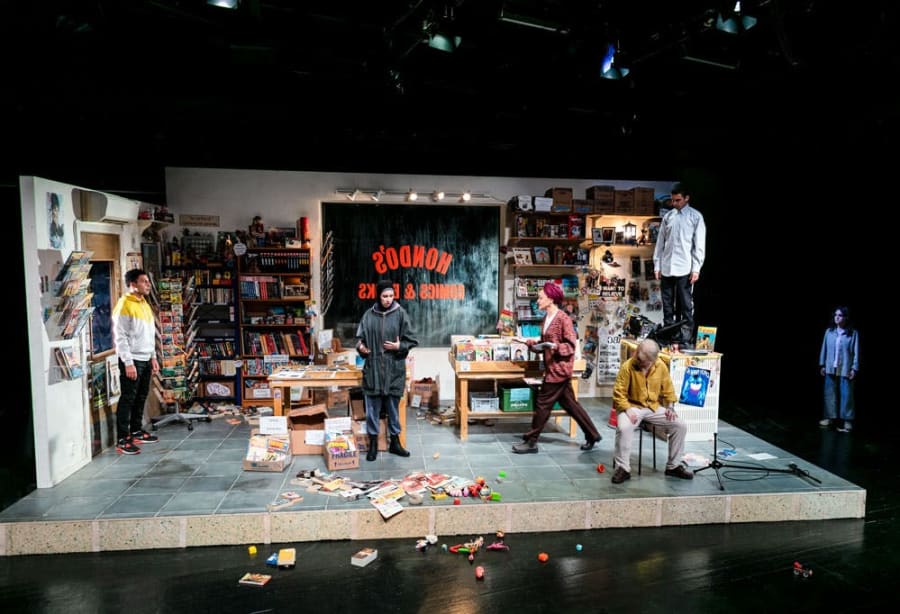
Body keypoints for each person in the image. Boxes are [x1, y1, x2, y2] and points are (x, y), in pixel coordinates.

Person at [512, 282, 602, 454]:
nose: (538, 301)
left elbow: (570, 346)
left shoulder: (563, 319)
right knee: (571, 405)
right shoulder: (546, 318)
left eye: (541, 298)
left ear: (551, 299)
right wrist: (528, 343)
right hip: (552, 368)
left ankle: (531, 441)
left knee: (542, 405)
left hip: (558, 371)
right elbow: (544, 343)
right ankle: (593, 435)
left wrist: (554, 347)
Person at [610, 338, 693, 484]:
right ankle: (623, 468)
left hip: (653, 407)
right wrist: (627, 409)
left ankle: (673, 466)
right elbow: (619, 393)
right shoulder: (627, 366)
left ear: (652, 360)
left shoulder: (660, 366)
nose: (638, 360)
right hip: (632, 405)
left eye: (642, 360)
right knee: (624, 427)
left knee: (680, 425)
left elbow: (668, 390)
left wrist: (670, 407)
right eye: (637, 357)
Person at [355, 280, 418, 461]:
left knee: (393, 408)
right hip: (373, 369)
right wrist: (361, 348)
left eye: (391, 296)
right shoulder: (369, 315)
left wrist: (399, 346)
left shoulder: (400, 314)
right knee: (372, 409)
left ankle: (395, 443)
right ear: (379, 296)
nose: (388, 299)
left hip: (394, 368)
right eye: (385, 296)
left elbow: (411, 340)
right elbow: (359, 340)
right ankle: (373, 444)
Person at [112, 269, 160, 455]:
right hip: (133, 359)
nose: (148, 285)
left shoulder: (144, 303)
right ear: (133, 284)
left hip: (146, 358)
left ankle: (136, 431)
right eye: (144, 281)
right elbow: (120, 337)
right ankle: (122, 439)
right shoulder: (124, 305)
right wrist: (128, 362)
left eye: (148, 281)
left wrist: (153, 357)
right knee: (128, 398)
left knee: (141, 396)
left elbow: (149, 333)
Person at [653, 182, 706, 347]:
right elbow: (660, 243)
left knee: (685, 304)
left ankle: (685, 338)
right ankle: (669, 335)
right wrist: (657, 265)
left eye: (678, 200)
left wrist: (696, 269)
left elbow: (699, 245)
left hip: (685, 267)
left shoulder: (695, 217)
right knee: (667, 304)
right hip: (667, 266)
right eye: (673, 200)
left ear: (686, 198)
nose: (674, 203)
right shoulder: (668, 217)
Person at [819, 306, 859, 433]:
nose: (837, 317)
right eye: (836, 315)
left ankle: (847, 420)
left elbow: (856, 352)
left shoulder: (852, 333)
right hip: (831, 366)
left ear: (845, 317)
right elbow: (824, 348)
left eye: (840, 315)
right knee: (829, 393)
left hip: (845, 366)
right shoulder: (829, 332)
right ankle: (829, 417)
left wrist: (854, 368)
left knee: (847, 394)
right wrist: (822, 364)